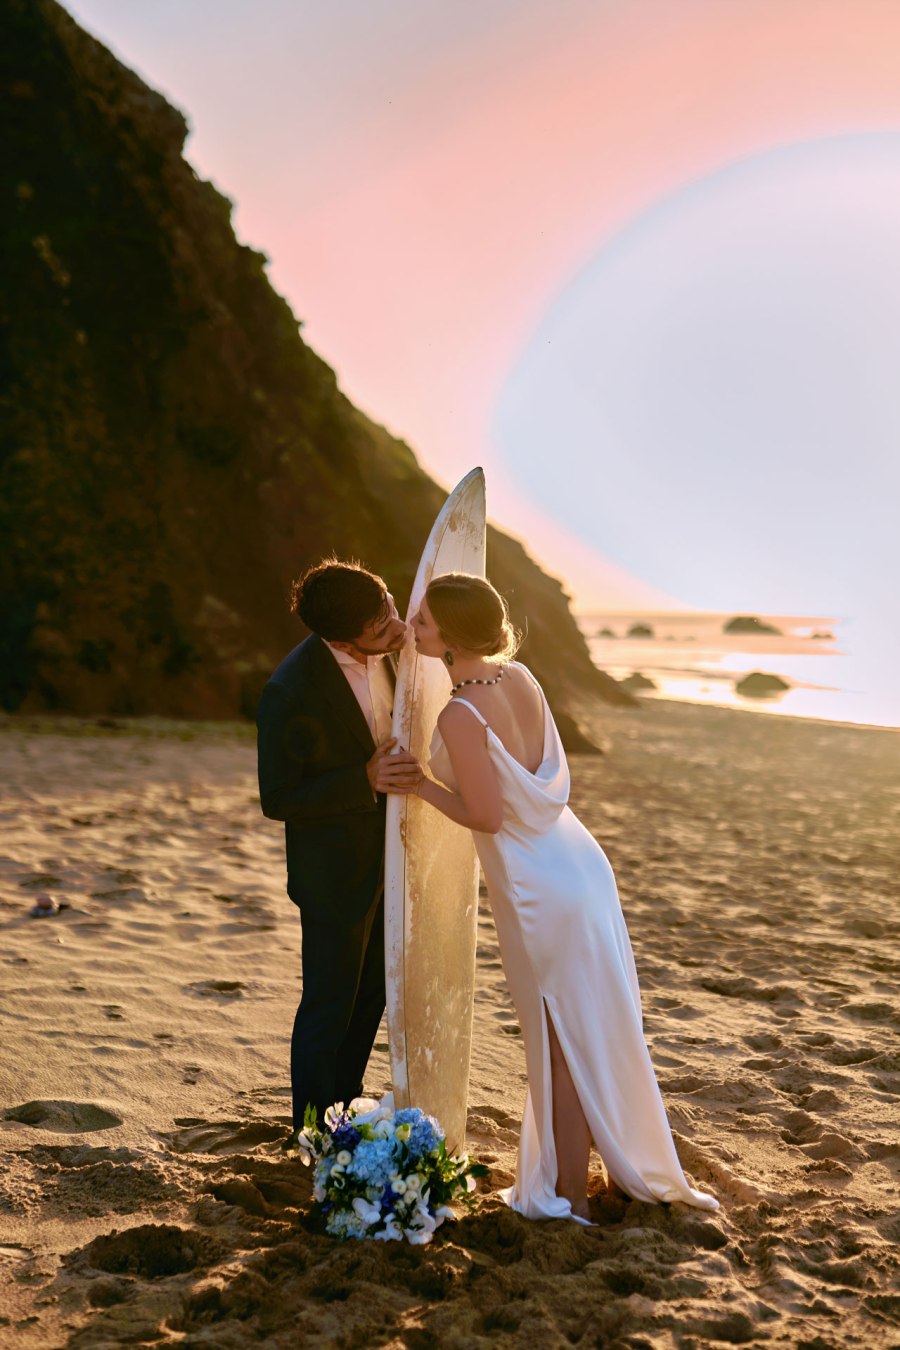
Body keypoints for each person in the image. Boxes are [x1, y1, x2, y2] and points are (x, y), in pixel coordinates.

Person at [394, 572, 718, 1222]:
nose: (412, 629)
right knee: (597, 1027)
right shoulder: (521, 678)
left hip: (537, 889)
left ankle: (571, 1195)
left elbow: (486, 816)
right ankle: (607, 1167)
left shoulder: (460, 713)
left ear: (452, 636)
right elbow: (535, 786)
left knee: (561, 1042)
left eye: (422, 621)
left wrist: (419, 783)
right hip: (581, 864)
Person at [256, 558, 420, 1135]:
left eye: (390, 607)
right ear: (342, 640)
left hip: (391, 859)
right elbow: (278, 796)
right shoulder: (290, 690)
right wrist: (364, 780)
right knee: (329, 1008)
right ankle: (309, 1134)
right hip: (332, 873)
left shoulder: (394, 647)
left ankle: (342, 1117)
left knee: (372, 996)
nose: (397, 626)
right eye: (381, 626)